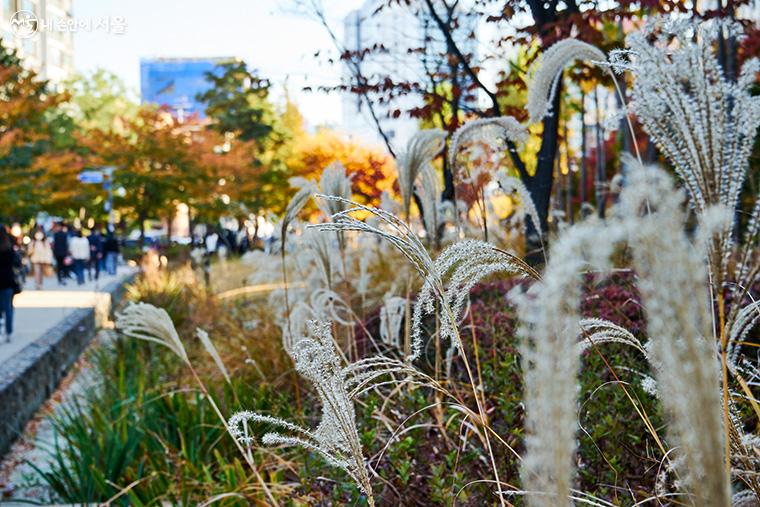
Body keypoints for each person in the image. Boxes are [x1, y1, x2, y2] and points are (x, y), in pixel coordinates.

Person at [0, 225, 21, 342]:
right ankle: (9, 332)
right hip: (8, 281)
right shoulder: (9, 248)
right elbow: (17, 263)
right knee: (8, 307)